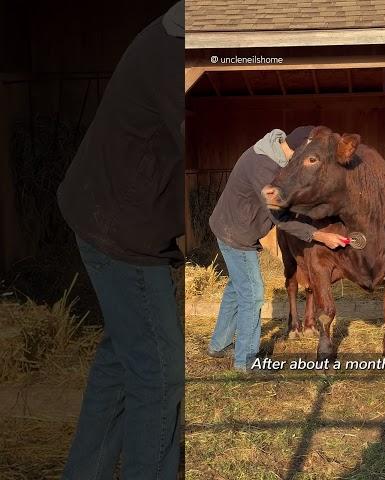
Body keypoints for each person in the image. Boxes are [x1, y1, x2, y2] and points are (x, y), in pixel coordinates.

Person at [56, 3, 184, 479]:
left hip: (106, 214)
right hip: (120, 230)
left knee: (122, 362)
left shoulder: (179, 40)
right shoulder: (175, 54)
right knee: (159, 372)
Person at [208, 126, 348, 371]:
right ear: (298, 149)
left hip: (231, 228)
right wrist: (319, 235)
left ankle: (219, 345)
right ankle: (246, 361)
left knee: (236, 289)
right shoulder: (264, 168)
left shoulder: (273, 154)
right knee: (253, 294)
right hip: (236, 236)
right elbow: (280, 218)